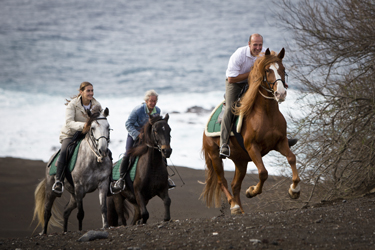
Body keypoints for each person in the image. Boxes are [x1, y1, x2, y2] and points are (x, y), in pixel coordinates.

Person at [111, 89, 176, 193]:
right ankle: (121, 180)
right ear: (146, 101)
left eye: (154, 101)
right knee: (127, 154)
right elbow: (128, 124)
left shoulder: (157, 110)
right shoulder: (138, 110)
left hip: (148, 137)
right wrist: (138, 135)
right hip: (134, 135)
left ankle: (166, 179)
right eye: (151, 101)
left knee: (161, 153)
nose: (153, 103)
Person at [220, 33, 266, 158]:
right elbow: (231, 79)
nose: (258, 47)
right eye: (255, 45)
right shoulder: (239, 54)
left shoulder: (263, 55)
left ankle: (280, 136)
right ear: (249, 44)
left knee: (267, 100)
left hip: (253, 82)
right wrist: (251, 73)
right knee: (230, 108)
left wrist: (280, 84)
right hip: (235, 84)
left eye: (260, 45)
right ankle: (223, 144)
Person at [53, 82, 101, 194]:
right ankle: (58, 181)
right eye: (88, 91)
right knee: (65, 151)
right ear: (81, 92)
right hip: (71, 134)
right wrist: (83, 126)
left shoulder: (96, 105)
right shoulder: (72, 105)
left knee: (104, 150)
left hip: (87, 134)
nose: (91, 93)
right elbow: (69, 123)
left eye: (92, 90)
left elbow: (99, 121)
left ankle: (107, 179)